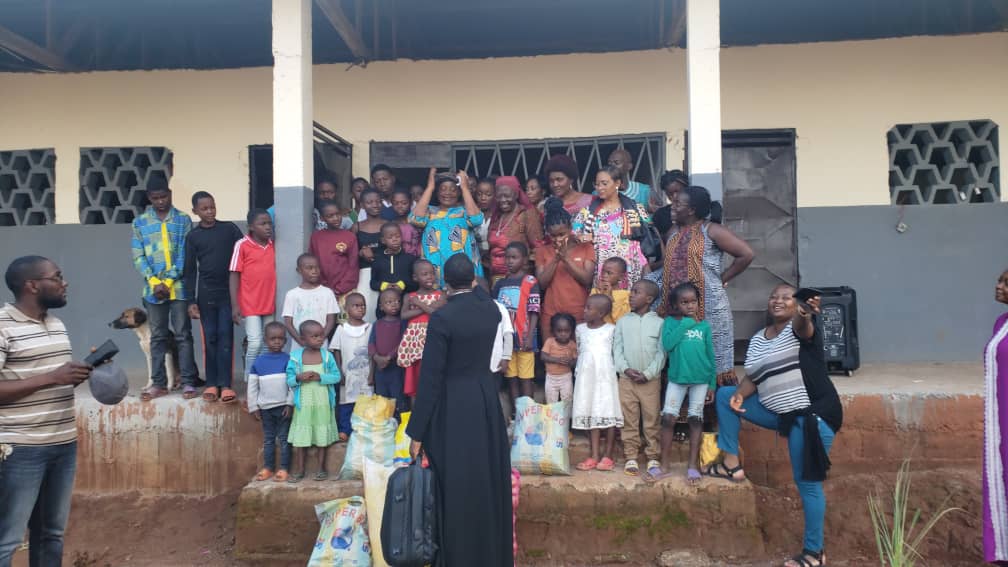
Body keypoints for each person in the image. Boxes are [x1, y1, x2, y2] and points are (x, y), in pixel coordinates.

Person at [711, 285, 842, 567]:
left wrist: (805, 313)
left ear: (796, 305)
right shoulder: (759, 338)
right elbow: (753, 377)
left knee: (807, 484)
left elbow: (804, 326)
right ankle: (731, 464)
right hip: (781, 415)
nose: (778, 301)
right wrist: (740, 395)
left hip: (810, 417)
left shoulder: (798, 330)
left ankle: (814, 553)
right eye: (774, 296)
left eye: (786, 298)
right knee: (724, 395)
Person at [406, 253, 513, 567]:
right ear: (474, 280)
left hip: (452, 404)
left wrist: (417, 431)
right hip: (484, 399)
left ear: (444, 282)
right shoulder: (490, 310)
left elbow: (430, 378)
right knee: (485, 478)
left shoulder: (443, 318)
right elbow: (478, 294)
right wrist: (470, 284)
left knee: (455, 481)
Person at [0, 256, 93, 567]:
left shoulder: (56, 323)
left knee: (51, 534)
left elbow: (48, 378)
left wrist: (77, 374)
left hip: (62, 445)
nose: (65, 283)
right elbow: (47, 378)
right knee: (7, 540)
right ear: (32, 285)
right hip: (20, 449)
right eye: (57, 277)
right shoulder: (3, 326)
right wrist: (53, 377)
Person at [659, 185, 754, 387]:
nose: (672, 207)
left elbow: (746, 254)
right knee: (681, 355)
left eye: (678, 204)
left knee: (712, 357)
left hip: (710, 309)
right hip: (675, 309)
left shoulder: (712, 230)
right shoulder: (673, 232)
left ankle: (714, 404)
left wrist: (722, 278)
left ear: (691, 210)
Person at [131, 179, 200, 401]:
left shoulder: (183, 220)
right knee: (158, 336)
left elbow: (184, 254)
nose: (160, 201)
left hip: (178, 289)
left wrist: (168, 282)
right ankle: (158, 383)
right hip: (152, 291)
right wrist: (154, 282)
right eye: (155, 198)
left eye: (164, 197)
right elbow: (138, 256)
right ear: (149, 198)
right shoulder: (139, 222)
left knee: (183, 335)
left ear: (170, 194)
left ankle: (188, 381)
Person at [648, 282, 715, 485]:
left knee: (695, 419)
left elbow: (711, 357)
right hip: (677, 379)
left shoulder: (704, 326)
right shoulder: (670, 323)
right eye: (684, 302)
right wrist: (685, 324)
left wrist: (712, 384)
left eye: (693, 301)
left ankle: (692, 466)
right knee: (668, 418)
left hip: (701, 380)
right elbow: (668, 345)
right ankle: (665, 465)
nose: (690, 305)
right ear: (676, 305)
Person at [184, 191, 244, 403]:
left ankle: (226, 385)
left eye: (212, 207)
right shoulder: (193, 237)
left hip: (228, 292)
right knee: (210, 338)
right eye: (204, 209)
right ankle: (211, 383)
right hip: (206, 294)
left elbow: (243, 256)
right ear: (195, 211)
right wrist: (191, 301)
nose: (210, 212)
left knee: (225, 337)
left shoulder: (229, 229)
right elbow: (190, 270)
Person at [613, 279, 665, 477]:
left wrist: (649, 373)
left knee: (652, 418)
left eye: (636, 292)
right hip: (627, 380)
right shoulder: (623, 321)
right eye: (632, 291)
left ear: (649, 299)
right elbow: (617, 350)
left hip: (650, 381)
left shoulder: (659, 323)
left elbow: (661, 353)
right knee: (629, 418)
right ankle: (631, 455)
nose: (631, 295)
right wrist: (626, 370)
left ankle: (653, 456)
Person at [573, 165, 652, 289]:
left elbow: (649, 235)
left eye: (604, 183)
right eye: (597, 184)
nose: (599, 188)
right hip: (602, 269)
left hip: (630, 267)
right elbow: (573, 234)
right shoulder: (588, 212)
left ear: (617, 183)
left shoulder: (635, 208)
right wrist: (581, 237)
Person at [286, 320, 341, 483]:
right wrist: (298, 377)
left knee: (321, 437)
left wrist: (321, 377)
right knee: (302, 437)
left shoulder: (327, 356)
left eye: (321, 335)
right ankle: (300, 470)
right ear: (303, 339)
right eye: (315, 336)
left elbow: (337, 376)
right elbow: (289, 379)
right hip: (304, 403)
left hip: (323, 403)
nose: (320, 339)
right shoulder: (296, 357)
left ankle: (321, 468)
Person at [572, 294, 623, 472]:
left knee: (608, 413)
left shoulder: (611, 330)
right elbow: (580, 351)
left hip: (605, 378)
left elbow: (615, 354)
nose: (584, 310)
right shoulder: (580, 329)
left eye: (589, 308)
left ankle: (608, 456)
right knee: (591, 413)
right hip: (586, 379)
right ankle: (594, 456)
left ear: (601, 313)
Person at [410, 168, 485, 286]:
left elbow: (476, 219)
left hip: (463, 272)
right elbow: (415, 219)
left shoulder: (464, 212)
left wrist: (465, 188)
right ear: (437, 192)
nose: (448, 193)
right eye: (443, 189)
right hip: (434, 273)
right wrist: (430, 187)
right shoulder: (429, 212)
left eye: (453, 190)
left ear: (459, 193)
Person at [535, 198, 595, 339]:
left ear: (570, 228)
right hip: (551, 313)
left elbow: (587, 279)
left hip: (578, 312)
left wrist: (566, 258)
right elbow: (541, 284)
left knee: (578, 351)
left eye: (562, 234)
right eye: (553, 235)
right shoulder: (542, 251)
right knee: (550, 350)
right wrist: (556, 259)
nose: (558, 239)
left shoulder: (586, 247)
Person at [230, 209, 277, 381]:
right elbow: (234, 274)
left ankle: (261, 377)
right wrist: (235, 305)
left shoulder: (273, 244)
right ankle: (249, 378)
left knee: (266, 343)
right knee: (255, 342)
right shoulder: (242, 245)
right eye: (262, 224)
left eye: (269, 223)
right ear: (251, 227)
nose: (268, 227)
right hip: (249, 303)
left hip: (269, 302)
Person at [492, 242, 541, 404]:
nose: (509, 261)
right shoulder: (500, 284)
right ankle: (515, 413)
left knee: (525, 378)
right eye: (507, 257)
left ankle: (527, 413)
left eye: (514, 257)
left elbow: (534, 311)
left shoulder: (530, 281)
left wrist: (530, 336)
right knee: (511, 378)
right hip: (507, 341)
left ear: (524, 260)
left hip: (524, 337)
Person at [247, 321, 294, 483]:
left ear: (285, 341)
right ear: (265, 340)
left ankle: (284, 468)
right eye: (273, 339)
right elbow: (252, 387)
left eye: (280, 339)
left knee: (284, 439)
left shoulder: (289, 360)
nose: (276, 342)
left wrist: (290, 404)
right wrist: (253, 406)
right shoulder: (259, 362)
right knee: (268, 439)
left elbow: (292, 385)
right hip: (265, 408)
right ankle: (268, 467)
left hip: (283, 408)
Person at [984, 268, 1008, 565]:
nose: (998, 286)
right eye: (1000, 280)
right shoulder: (1002, 323)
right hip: (1001, 421)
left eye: (1006, 283)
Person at [396, 260, 444, 405]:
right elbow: (403, 315)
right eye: (424, 274)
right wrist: (426, 307)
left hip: (433, 337)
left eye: (432, 273)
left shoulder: (441, 295)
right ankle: (415, 412)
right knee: (414, 378)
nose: (430, 277)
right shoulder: (408, 296)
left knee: (433, 376)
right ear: (415, 278)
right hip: (414, 341)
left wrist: (419, 304)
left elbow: (434, 313)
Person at [487, 176, 544, 285]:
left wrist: (524, 268)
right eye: (499, 196)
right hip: (495, 278)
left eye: (507, 196)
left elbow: (538, 246)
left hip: (518, 278)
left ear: (516, 195)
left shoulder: (526, 215)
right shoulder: (496, 217)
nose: (503, 200)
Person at [331, 293, 373, 442]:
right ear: (346, 308)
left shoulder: (369, 328)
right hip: (347, 375)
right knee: (346, 403)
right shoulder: (341, 329)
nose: (361, 308)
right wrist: (339, 372)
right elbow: (336, 350)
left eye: (363, 306)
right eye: (356, 306)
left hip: (365, 374)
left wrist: (372, 374)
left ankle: (363, 428)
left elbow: (373, 353)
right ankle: (345, 429)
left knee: (366, 402)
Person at [281, 253, 339, 348]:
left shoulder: (327, 293)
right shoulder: (292, 294)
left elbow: (331, 321)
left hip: (321, 345)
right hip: (299, 346)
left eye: (317, 267)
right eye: (309, 268)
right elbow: (288, 323)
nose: (314, 271)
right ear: (299, 270)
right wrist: (301, 342)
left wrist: (319, 340)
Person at [308, 201, 359, 303]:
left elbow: (353, 265)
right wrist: (323, 287)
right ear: (322, 218)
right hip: (322, 290)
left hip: (345, 291)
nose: (336, 218)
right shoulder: (316, 237)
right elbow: (313, 264)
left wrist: (339, 289)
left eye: (338, 214)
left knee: (345, 314)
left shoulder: (349, 236)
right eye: (330, 216)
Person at [368, 288, 407, 412]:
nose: (394, 304)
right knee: (382, 401)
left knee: (398, 400)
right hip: (380, 370)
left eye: (397, 301)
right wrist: (377, 358)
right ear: (381, 306)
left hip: (396, 369)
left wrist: (388, 357)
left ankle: (398, 423)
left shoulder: (402, 323)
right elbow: (371, 343)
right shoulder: (377, 324)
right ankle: (385, 424)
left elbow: (403, 342)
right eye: (389, 302)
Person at [354, 188, 386, 323]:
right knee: (366, 309)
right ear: (362, 205)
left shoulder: (389, 225)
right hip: (364, 274)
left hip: (385, 273)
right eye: (370, 202)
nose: (375, 205)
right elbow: (350, 253)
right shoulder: (356, 227)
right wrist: (360, 253)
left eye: (378, 201)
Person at [369, 223, 419, 305]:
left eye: (397, 236)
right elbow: (373, 283)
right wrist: (384, 286)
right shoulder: (378, 260)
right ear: (383, 240)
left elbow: (416, 283)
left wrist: (402, 285)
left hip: (406, 303)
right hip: (385, 305)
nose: (394, 239)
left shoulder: (410, 259)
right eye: (390, 237)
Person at [540, 313, 577, 406]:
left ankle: (566, 416)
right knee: (551, 401)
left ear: (571, 331)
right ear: (553, 331)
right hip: (551, 377)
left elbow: (576, 361)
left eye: (567, 331)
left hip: (566, 377)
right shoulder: (550, 342)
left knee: (567, 400)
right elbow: (543, 356)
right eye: (559, 331)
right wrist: (557, 360)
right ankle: (553, 416)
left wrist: (571, 362)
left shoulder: (572, 345)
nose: (563, 334)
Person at [592, 257, 631, 324]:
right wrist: (600, 292)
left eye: (609, 273)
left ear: (621, 277)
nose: (604, 275)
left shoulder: (627, 295)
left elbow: (620, 319)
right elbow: (591, 313)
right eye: (602, 271)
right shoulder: (595, 290)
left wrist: (610, 297)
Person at [652, 170, 688, 239]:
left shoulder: (696, 210)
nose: (675, 196)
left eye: (677, 191)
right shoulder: (660, 214)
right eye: (670, 194)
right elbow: (656, 239)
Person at [472, 178, 496, 274]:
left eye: (488, 195)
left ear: (495, 195)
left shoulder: (499, 215)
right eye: (479, 194)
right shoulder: (471, 214)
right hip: (475, 261)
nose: (483, 198)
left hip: (494, 261)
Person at [390, 189, 421, 256]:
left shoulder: (419, 222)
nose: (400, 206)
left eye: (404, 203)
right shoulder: (391, 225)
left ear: (411, 203)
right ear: (392, 204)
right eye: (396, 203)